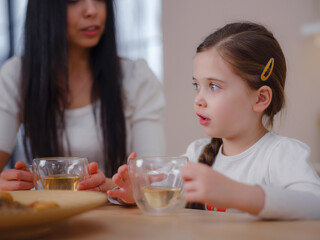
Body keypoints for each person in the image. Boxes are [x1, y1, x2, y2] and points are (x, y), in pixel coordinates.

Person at [109, 22, 320, 220]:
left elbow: (315, 205)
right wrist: (133, 192)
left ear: (260, 98)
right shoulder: (195, 154)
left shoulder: (280, 155)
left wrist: (240, 194)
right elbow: (159, 193)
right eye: (196, 86)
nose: (198, 99)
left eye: (214, 86)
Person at [0, 0, 165, 192]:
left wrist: (111, 186)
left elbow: (155, 181)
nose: (92, 11)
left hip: (115, 218)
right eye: (73, 1)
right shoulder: (18, 75)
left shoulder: (136, 77)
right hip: (43, 216)